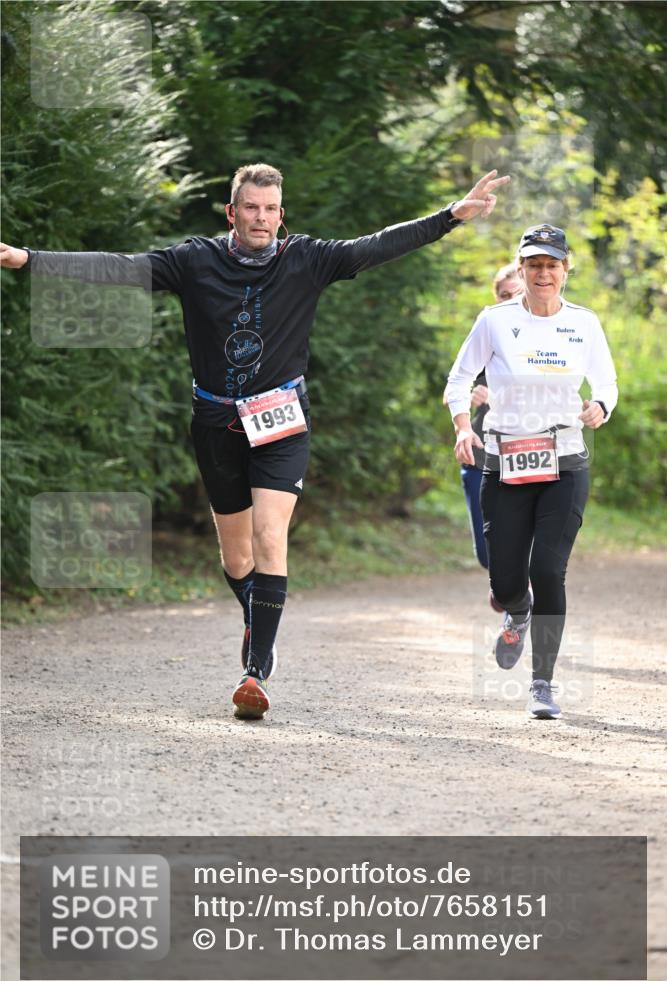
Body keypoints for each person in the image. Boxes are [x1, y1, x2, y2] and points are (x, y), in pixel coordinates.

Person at [1, 163, 510, 721]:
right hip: (216, 422)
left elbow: (377, 246)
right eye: (251, 208)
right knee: (236, 553)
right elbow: (122, 268)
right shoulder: (194, 261)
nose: (261, 217)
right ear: (232, 212)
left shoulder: (306, 259)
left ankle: (256, 670)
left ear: (280, 215)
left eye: (270, 209)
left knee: (271, 536)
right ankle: (255, 610)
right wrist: (30, 259)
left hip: (281, 422)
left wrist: (452, 216)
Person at [445, 224, 617, 720]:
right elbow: (459, 379)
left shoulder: (584, 323)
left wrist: (600, 406)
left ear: (565, 270)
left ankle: (542, 684)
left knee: (548, 569)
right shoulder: (495, 321)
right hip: (504, 460)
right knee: (504, 583)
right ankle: (516, 612)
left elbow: (606, 382)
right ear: (521, 270)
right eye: (534, 264)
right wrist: (462, 427)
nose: (543, 273)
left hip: (564, 460)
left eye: (552, 264)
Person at [444, 264, 523, 577]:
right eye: (504, 295)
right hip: (481, 455)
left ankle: (516, 609)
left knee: (524, 542)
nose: (510, 300)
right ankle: (507, 591)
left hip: (526, 452)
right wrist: (474, 396)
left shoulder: (546, 337)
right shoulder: (487, 333)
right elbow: (452, 388)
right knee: (487, 554)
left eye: (516, 293)